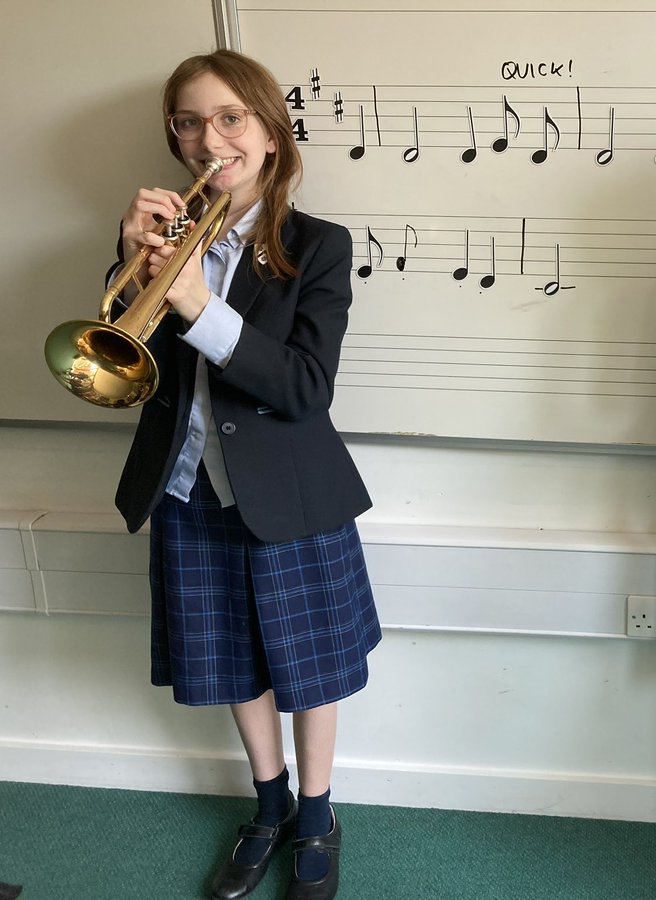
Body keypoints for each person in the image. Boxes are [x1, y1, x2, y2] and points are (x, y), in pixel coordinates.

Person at [111, 50, 380, 900]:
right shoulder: (154, 239)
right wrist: (127, 269)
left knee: (307, 663)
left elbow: (305, 386)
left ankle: (318, 814)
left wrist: (198, 304)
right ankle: (268, 805)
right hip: (188, 489)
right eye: (187, 121)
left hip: (288, 493)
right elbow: (117, 371)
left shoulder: (317, 246)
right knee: (233, 659)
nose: (206, 138)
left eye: (229, 118)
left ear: (269, 133)